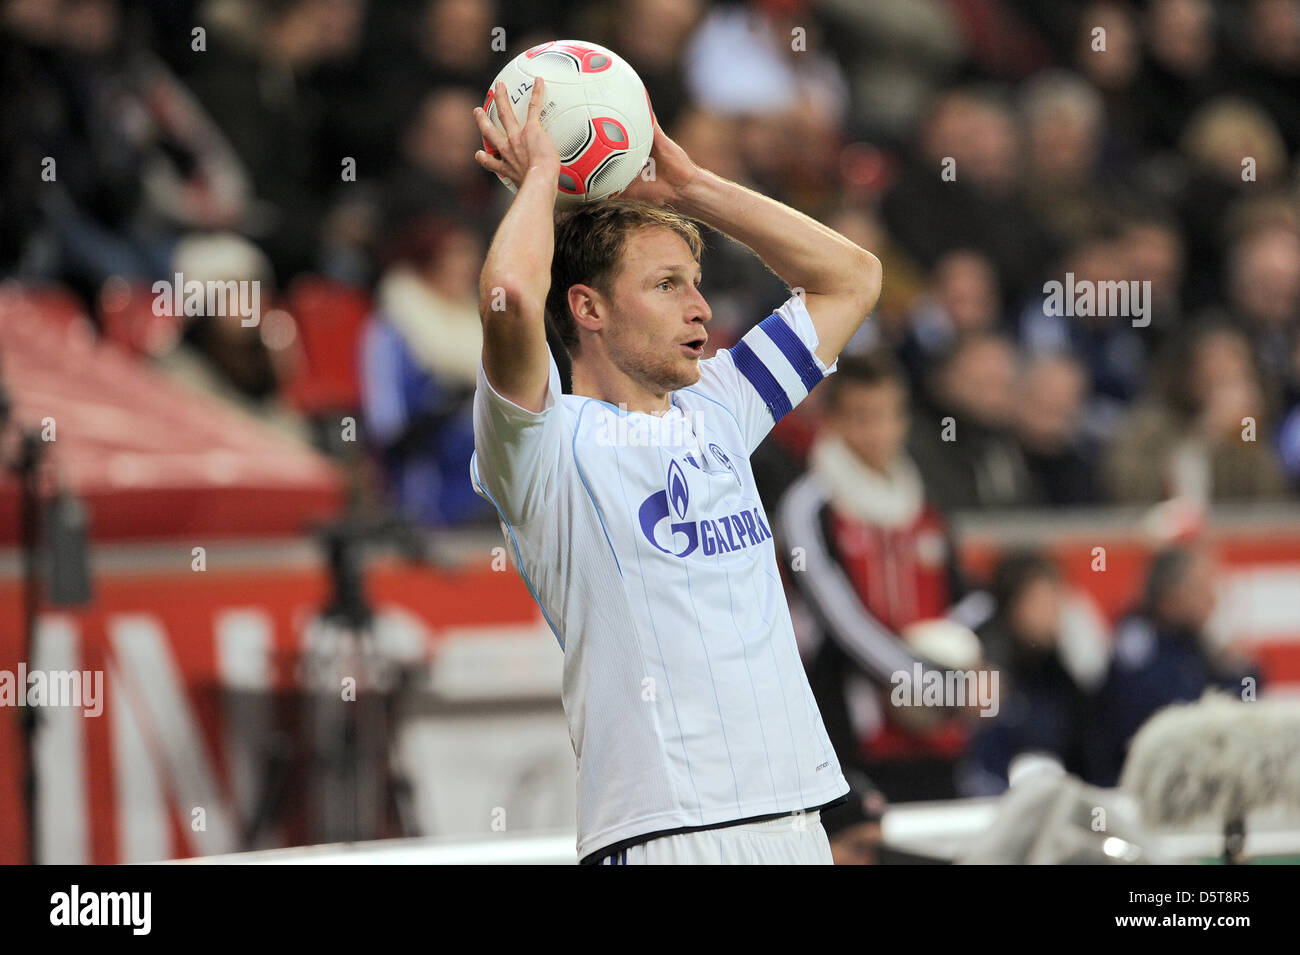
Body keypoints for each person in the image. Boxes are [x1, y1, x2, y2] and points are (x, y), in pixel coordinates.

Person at [469, 77, 882, 864]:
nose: (700, 308)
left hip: (797, 822)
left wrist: (693, 189)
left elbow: (851, 277)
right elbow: (507, 297)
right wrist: (539, 182)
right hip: (665, 834)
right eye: (666, 286)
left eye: (694, 284)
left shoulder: (720, 407)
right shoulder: (543, 447)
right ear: (587, 308)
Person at [777, 349, 983, 801]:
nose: (880, 432)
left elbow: (966, 600)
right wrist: (927, 680)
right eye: (864, 417)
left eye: (892, 415)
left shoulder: (923, 500)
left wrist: (978, 666)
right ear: (832, 420)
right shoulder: (810, 505)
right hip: (856, 740)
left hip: (938, 739)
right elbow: (840, 621)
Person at [1085, 546, 1261, 787]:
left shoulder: (1192, 644)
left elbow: (1245, 708)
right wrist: (1230, 674)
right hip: (1131, 787)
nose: (1213, 600)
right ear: (1172, 598)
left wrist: (1242, 671)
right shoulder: (1138, 649)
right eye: (1202, 588)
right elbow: (1177, 719)